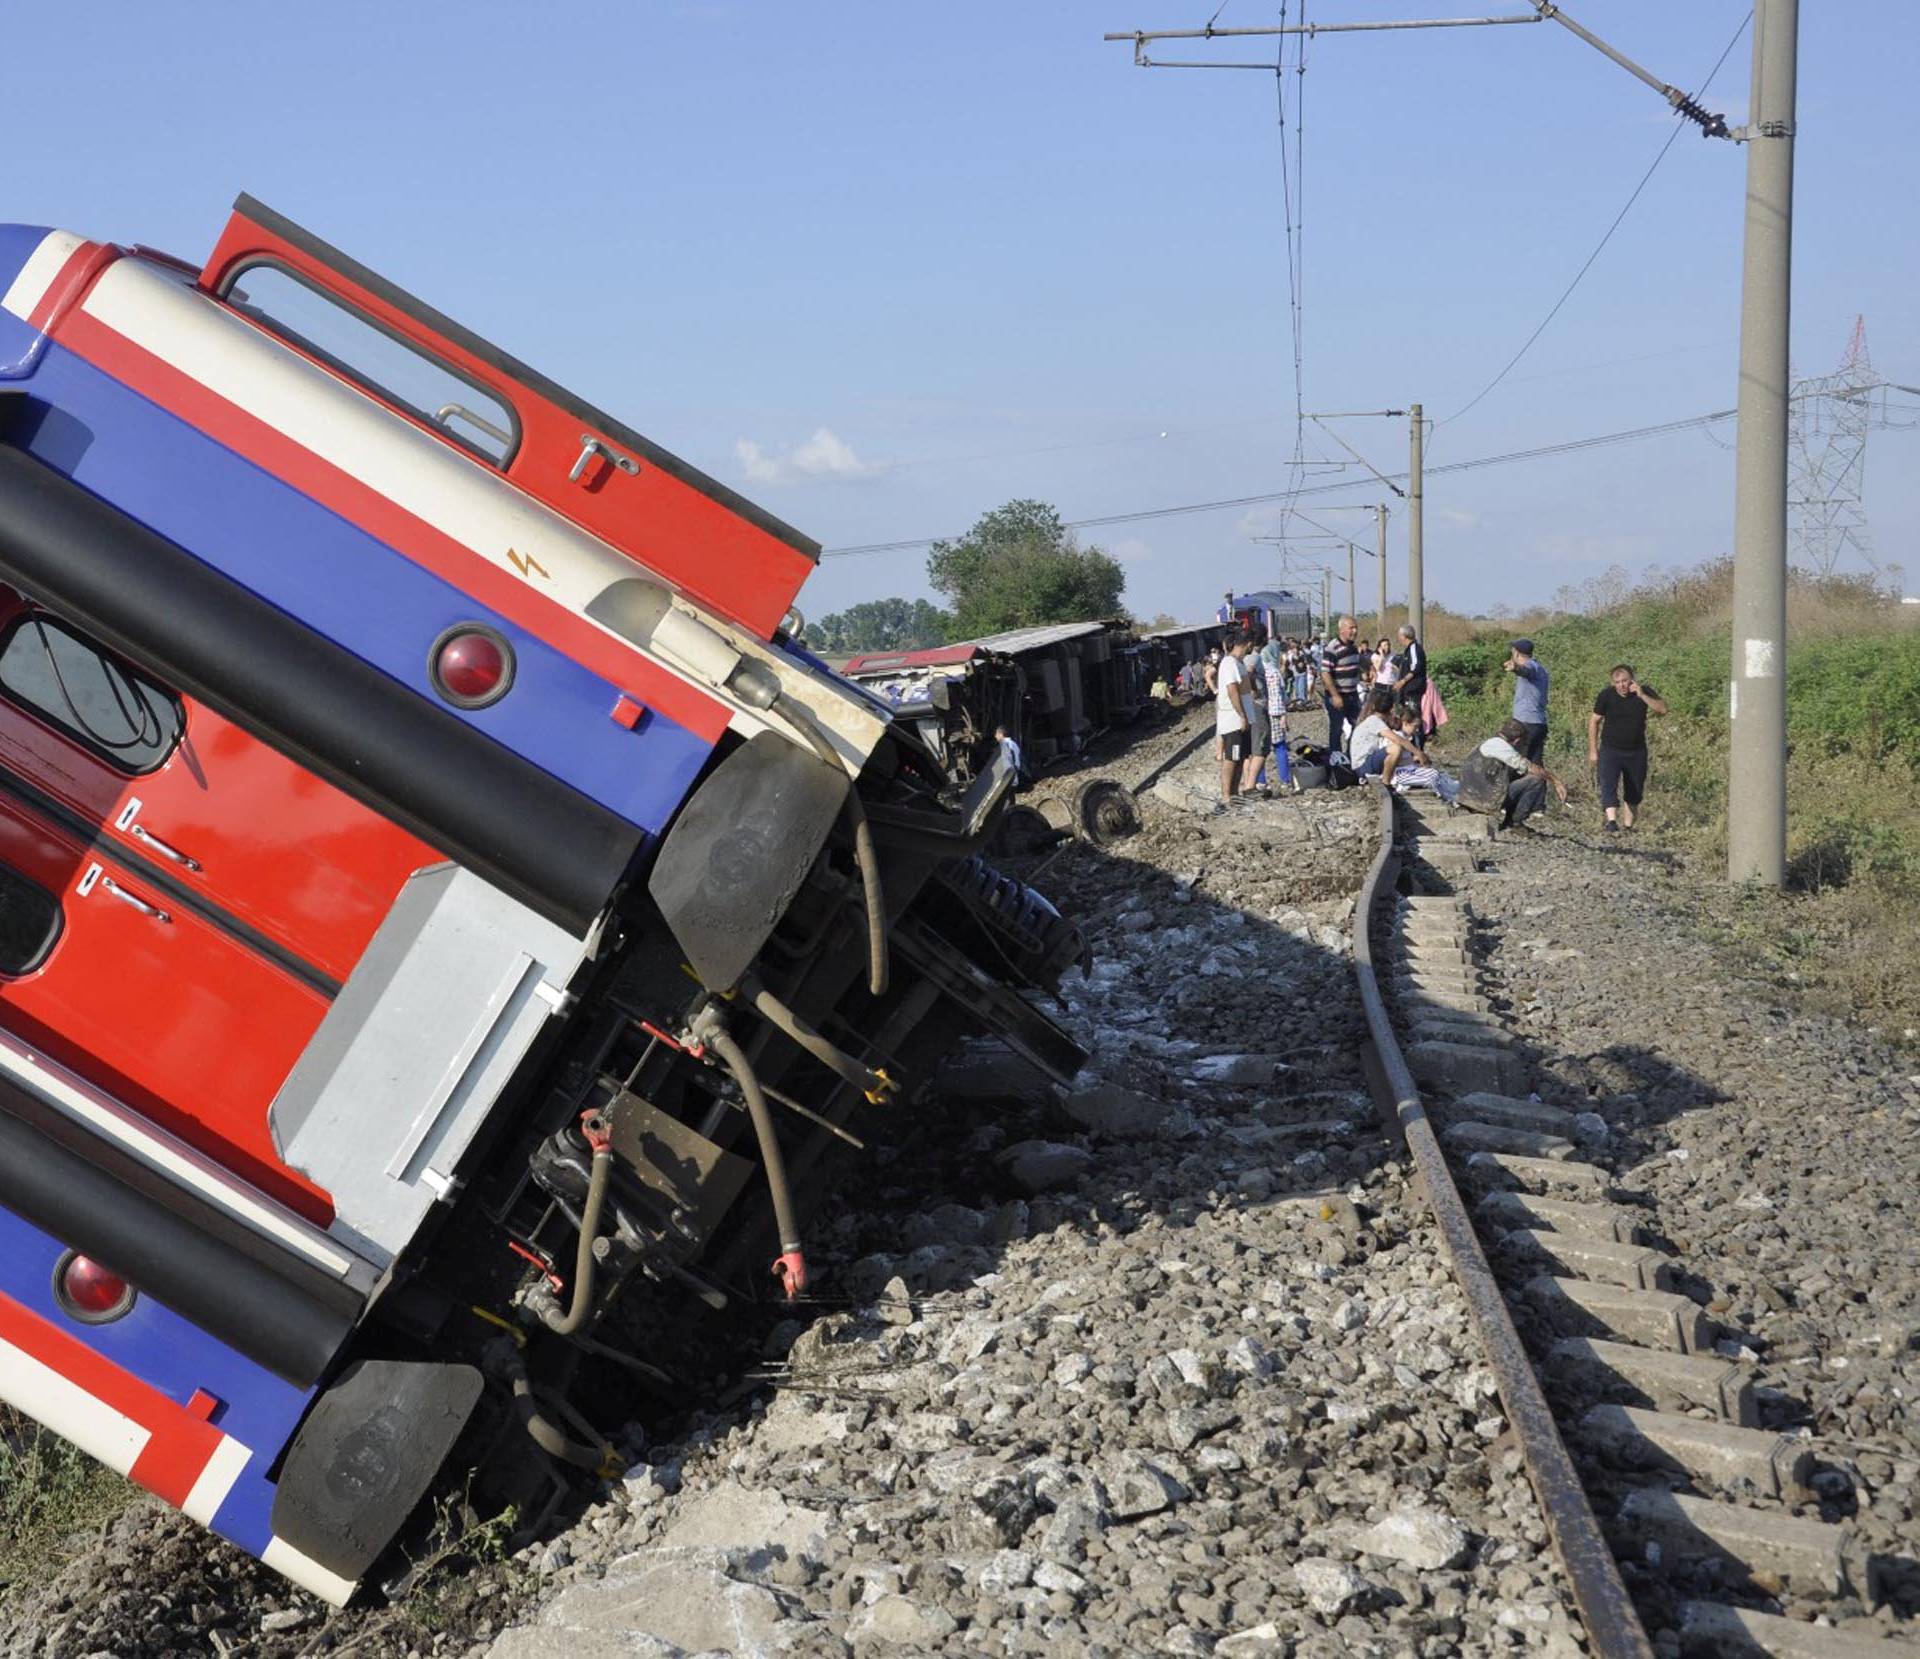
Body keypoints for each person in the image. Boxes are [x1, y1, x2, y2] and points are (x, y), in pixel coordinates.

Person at [1588, 663, 1667, 832]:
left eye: (1625, 681)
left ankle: (1628, 827)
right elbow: (1594, 720)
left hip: (1636, 750)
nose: (1622, 685)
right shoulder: (1606, 695)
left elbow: (1662, 709)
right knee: (1608, 784)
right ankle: (1611, 822)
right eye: (1618, 682)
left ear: (1632, 680)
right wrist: (1593, 750)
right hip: (1611, 749)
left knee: (1634, 790)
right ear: (1613, 683)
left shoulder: (1644, 691)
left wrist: (1642, 695)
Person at [1458, 717, 1567, 831]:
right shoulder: (1501, 747)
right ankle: (1515, 823)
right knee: (1536, 780)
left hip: (1467, 795)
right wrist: (1556, 781)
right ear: (1517, 740)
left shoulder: (1487, 743)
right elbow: (1530, 768)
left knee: (1516, 776)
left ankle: (1509, 821)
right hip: (1483, 799)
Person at [1381, 703, 1459, 803]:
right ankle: (1447, 797)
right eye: (1415, 726)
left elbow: (1405, 758)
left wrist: (1416, 760)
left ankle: (1453, 790)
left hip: (1408, 770)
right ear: (1405, 723)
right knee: (1432, 776)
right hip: (1398, 774)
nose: (1416, 730)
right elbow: (1392, 760)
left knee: (1438, 773)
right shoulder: (1397, 737)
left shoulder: (1406, 737)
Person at [1215, 630, 1254, 805]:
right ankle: (1226, 796)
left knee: (1240, 758)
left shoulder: (1238, 663)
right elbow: (1232, 691)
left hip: (1242, 721)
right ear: (1246, 644)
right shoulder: (1229, 663)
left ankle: (1234, 793)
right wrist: (1242, 716)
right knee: (1232, 757)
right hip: (1233, 721)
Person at [1319, 615, 1365, 757]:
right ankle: (1336, 759)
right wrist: (1335, 695)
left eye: (1356, 628)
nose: (1355, 631)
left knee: (1359, 726)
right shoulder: (1332, 648)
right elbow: (1325, 673)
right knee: (1337, 729)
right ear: (1342, 629)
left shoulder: (1353, 648)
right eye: (1351, 628)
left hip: (1352, 694)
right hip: (1337, 695)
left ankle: (1352, 755)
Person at [1504, 638, 1550, 765]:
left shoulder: (1530, 666)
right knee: (1534, 764)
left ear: (1516, 653)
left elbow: (1526, 671)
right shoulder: (1541, 668)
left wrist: (1515, 668)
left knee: (1517, 763)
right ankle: (1539, 784)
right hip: (1538, 723)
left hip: (1526, 725)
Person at [1242, 625, 1272, 796]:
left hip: (1250, 705)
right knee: (1261, 746)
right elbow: (1249, 673)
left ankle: (1247, 784)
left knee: (1250, 750)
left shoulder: (1245, 657)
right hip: (1258, 705)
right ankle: (1250, 787)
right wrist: (1254, 689)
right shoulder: (1254, 658)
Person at [1348, 687, 1396, 777]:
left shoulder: (1369, 719)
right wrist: (1418, 753)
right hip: (1362, 767)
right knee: (1395, 748)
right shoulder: (1374, 720)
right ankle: (1386, 781)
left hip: (1361, 764)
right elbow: (1397, 739)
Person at [1392, 625, 1428, 734]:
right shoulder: (1407, 650)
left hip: (1413, 689)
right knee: (1407, 715)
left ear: (1404, 636)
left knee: (1413, 716)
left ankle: (1417, 742)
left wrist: (1403, 681)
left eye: (1399, 635)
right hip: (1407, 690)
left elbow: (1415, 667)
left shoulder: (1414, 648)